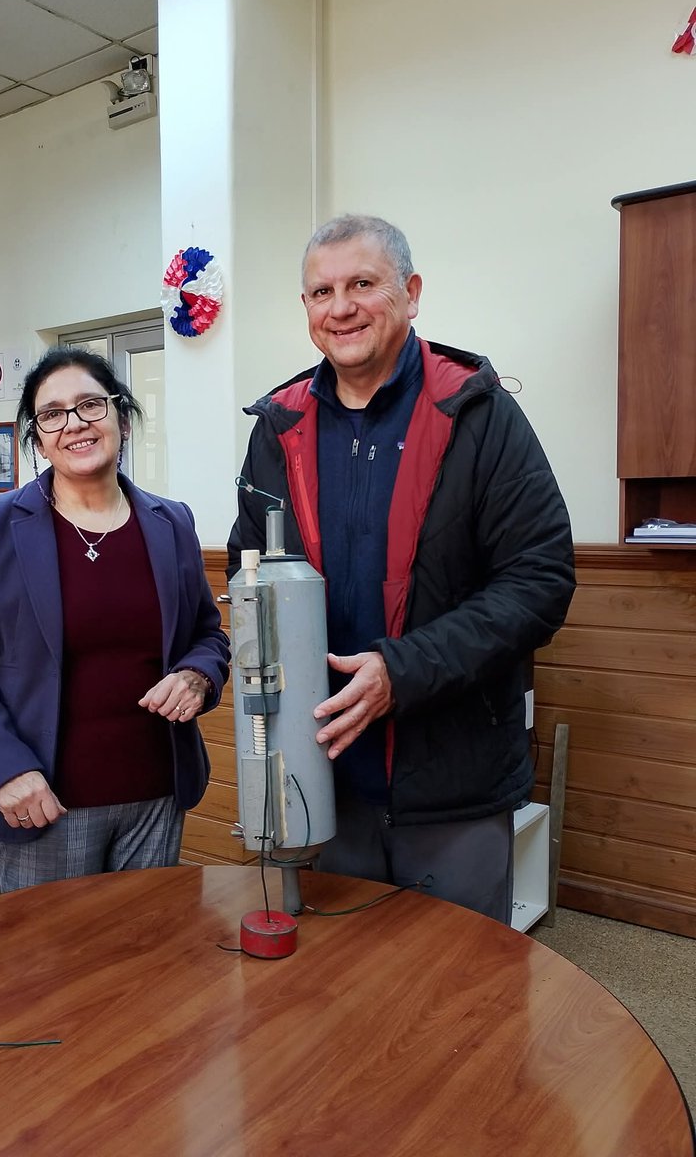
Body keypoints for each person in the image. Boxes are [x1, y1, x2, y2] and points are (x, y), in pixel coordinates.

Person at [227, 215, 575, 923]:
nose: (341, 306)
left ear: (410, 293)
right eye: (321, 291)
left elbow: (540, 579)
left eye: (363, 283)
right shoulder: (278, 426)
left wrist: (403, 670)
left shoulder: (478, 412)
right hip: (322, 773)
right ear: (306, 311)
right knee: (340, 995)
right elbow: (249, 567)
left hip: (453, 781)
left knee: (458, 1000)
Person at [0, 345, 229, 892]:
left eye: (91, 404)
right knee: (50, 968)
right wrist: (5, 770)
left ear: (123, 418)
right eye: (52, 414)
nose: (75, 424)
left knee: (145, 954)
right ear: (37, 437)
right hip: (44, 801)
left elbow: (207, 634)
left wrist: (198, 675)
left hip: (156, 792)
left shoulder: (170, 522)